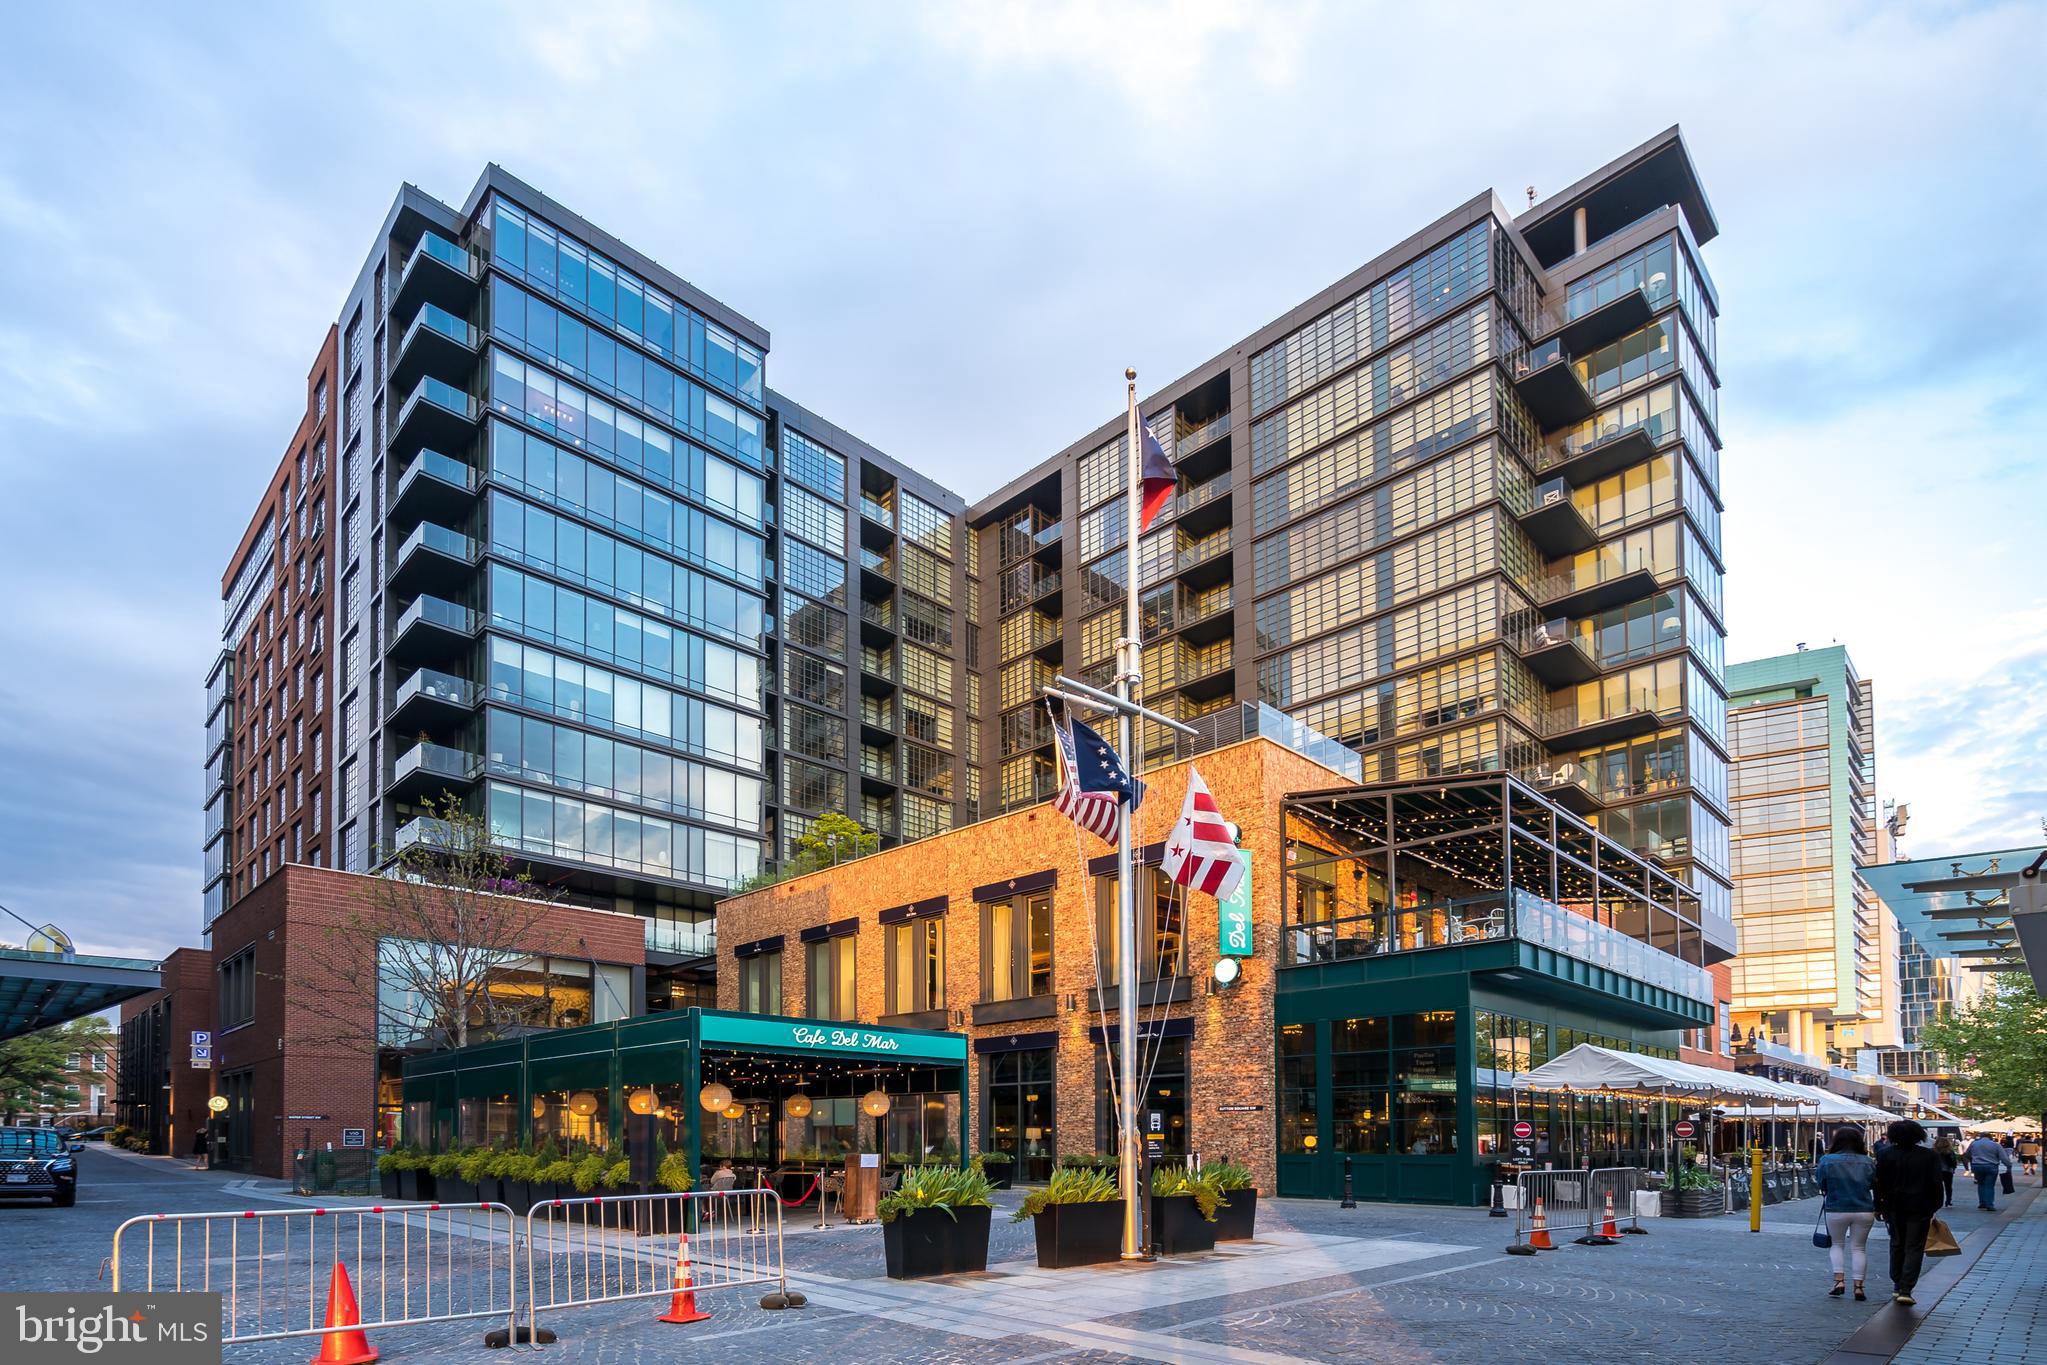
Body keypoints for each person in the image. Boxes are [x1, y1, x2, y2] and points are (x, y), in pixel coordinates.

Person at [1873, 1119, 1944, 1305]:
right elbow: (1936, 1183)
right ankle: (1906, 1287)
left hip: (1893, 1205)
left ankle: (1897, 1282)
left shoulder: (1885, 1154)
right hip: (1920, 1206)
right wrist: (1936, 1205)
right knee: (1914, 1246)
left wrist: (1878, 1206)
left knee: (1897, 1243)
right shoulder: (1929, 1156)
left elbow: (1878, 1182)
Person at [1816, 1127, 1877, 1301]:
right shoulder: (1867, 1161)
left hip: (1836, 1207)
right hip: (1864, 1208)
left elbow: (1821, 1183)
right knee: (1859, 1248)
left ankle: (1839, 1281)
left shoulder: (1827, 1160)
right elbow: (1873, 1183)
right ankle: (1858, 1286)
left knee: (1837, 1244)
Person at [1963, 1131, 2004, 1210]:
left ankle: (1982, 1202)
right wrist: (2008, 1166)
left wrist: (1973, 1159)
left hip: (1977, 1166)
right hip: (1991, 1166)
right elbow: (2003, 1157)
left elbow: (1967, 1154)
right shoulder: (1996, 1145)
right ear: (1990, 1137)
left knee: (1981, 1184)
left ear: (1981, 1137)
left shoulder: (1974, 1144)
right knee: (1989, 1185)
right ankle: (1989, 1204)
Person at [1933, 1135, 1959, 1208]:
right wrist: (1953, 1168)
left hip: (1937, 1171)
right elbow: (1953, 1161)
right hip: (1947, 1170)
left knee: (1937, 1186)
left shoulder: (1933, 1151)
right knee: (1948, 1186)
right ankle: (1948, 1200)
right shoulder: (1950, 1151)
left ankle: (1937, 1200)